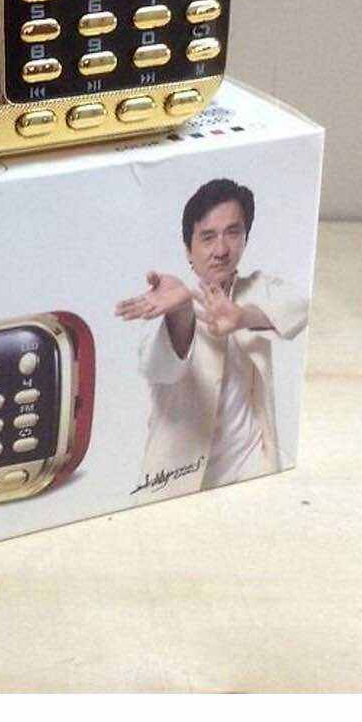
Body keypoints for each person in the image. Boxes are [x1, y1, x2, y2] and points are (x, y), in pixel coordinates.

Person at [115, 178, 308, 498]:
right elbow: (159, 368)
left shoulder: (258, 287)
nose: (221, 250)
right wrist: (180, 312)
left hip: (251, 470)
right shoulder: (165, 302)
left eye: (232, 233)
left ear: (245, 238)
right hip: (177, 479)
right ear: (188, 249)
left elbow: (299, 309)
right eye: (207, 237)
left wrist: (243, 316)